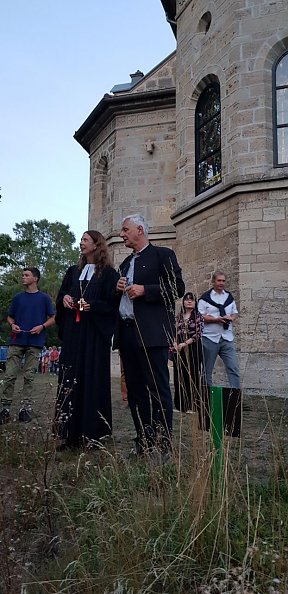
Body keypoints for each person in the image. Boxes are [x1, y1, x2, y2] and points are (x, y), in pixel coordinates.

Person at [114, 214, 185, 457]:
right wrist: (118, 290)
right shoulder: (124, 264)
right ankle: (143, 440)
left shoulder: (162, 255)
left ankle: (164, 444)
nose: (122, 234)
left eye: (125, 229)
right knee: (134, 391)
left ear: (140, 230)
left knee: (158, 389)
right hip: (127, 333)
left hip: (151, 335)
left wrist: (146, 290)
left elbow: (178, 288)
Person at [54, 230, 119, 449]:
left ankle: (93, 434)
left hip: (93, 335)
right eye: (81, 240)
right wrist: (65, 298)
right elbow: (61, 294)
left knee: (92, 379)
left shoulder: (109, 274)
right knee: (70, 378)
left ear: (96, 245)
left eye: (85, 240)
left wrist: (94, 306)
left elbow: (113, 305)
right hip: (73, 333)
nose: (81, 243)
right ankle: (68, 433)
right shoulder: (73, 272)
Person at [0, 267, 55, 424]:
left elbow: (53, 318)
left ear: (35, 278)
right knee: (9, 375)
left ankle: (25, 409)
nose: (23, 278)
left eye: (26, 275)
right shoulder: (18, 298)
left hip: (35, 342)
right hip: (16, 340)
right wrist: (12, 325)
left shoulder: (44, 298)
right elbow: (10, 317)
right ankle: (5, 409)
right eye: (22, 275)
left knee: (29, 376)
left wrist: (41, 327)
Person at [198, 270, 240, 389]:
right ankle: (206, 398)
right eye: (219, 280)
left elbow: (235, 313)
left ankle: (235, 398)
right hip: (210, 338)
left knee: (233, 368)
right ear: (213, 281)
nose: (221, 283)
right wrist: (216, 319)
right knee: (207, 370)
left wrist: (230, 318)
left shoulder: (229, 297)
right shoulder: (205, 298)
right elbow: (200, 316)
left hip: (227, 337)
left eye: (223, 281)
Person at [172, 292, 204, 413]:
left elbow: (198, 333)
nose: (189, 301)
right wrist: (175, 343)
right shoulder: (179, 316)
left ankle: (192, 405)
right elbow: (174, 330)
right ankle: (180, 405)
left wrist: (185, 343)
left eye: (192, 300)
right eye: (187, 299)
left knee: (192, 375)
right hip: (179, 349)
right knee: (179, 375)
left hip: (193, 348)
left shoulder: (198, 316)